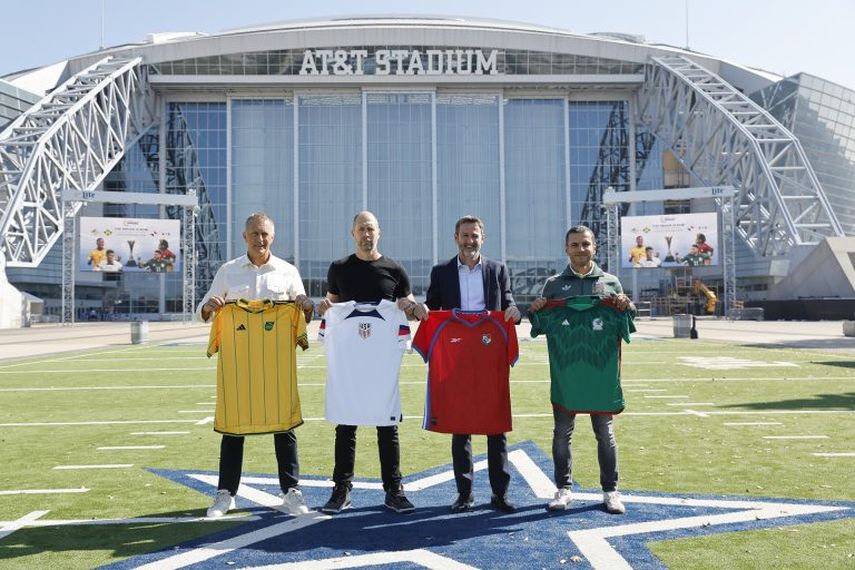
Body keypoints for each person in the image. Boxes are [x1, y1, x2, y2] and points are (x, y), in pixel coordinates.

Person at [197, 212, 314, 518]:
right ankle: (226, 493)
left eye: (265, 234)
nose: (260, 239)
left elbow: (303, 317)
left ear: (272, 237)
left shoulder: (288, 272)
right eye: (254, 234)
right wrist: (209, 307)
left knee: (284, 424)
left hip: (276, 366)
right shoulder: (228, 271)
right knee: (233, 426)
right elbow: (205, 308)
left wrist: (306, 307)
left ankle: (291, 491)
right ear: (244, 237)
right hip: (238, 367)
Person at [318, 211, 420, 514]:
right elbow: (332, 306)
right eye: (361, 229)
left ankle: (394, 489)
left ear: (379, 232)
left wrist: (409, 307)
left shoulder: (395, 269)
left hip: (380, 366)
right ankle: (341, 489)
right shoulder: (339, 268)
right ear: (352, 233)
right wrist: (325, 307)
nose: (366, 234)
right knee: (345, 425)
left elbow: (412, 311)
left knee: (387, 425)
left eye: (371, 229)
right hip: (350, 366)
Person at [417, 215, 520, 513]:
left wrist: (515, 313)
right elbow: (432, 309)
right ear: (455, 237)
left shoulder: (498, 270)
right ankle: (465, 494)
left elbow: (508, 304)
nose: (469, 240)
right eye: (465, 235)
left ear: (482, 238)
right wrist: (422, 311)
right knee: (459, 426)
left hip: (488, 356)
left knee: (495, 426)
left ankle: (499, 494)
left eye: (474, 236)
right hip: (456, 355)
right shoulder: (441, 272)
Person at [529, 225, 633, 515]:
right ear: (566, 249)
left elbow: (629, 319)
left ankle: (611, 491)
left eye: (585, 244)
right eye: (574, 245)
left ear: (594, 247)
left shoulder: (611, 283)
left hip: (600, 375)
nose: (580, 249)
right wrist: (535, 308)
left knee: (605, 432)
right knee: (562, 432)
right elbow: (537, 323)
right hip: (567, 375)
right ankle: (563, 489)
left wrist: (627, 305)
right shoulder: (553, 285)